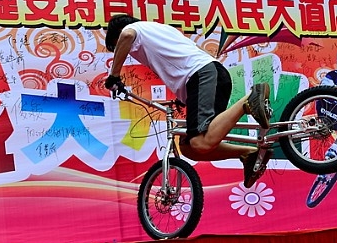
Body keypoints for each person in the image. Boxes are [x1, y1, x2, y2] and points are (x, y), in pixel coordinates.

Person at [103, 15, 272, 188]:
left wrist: (114, 76)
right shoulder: (161, 30)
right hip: (208, 76)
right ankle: (248, 153)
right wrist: (187, 95)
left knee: (201, 142)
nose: (127, 51)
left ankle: (249, 100)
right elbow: (196, 53)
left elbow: (127, 35)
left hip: (202, 76)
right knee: (189, 147)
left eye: (118, 46)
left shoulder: (134, 29)